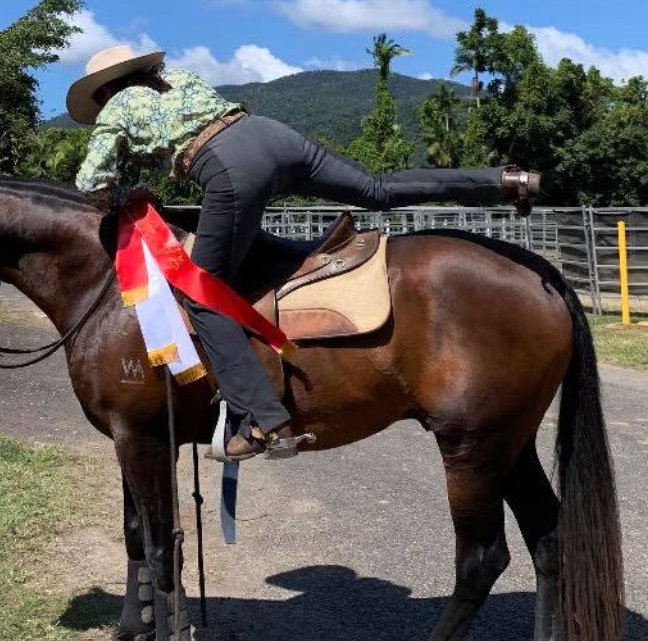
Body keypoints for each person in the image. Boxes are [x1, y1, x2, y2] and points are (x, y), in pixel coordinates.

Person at [68, 45, 539, 461]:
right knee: (376, 188)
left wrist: (125, 192)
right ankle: (502, 181)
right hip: (271, 136)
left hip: (229, 167)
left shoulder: (120, 107)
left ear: (105, 89)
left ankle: (264, 417)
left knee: (201, 292)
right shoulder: (176, 80)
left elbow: (89, 182)